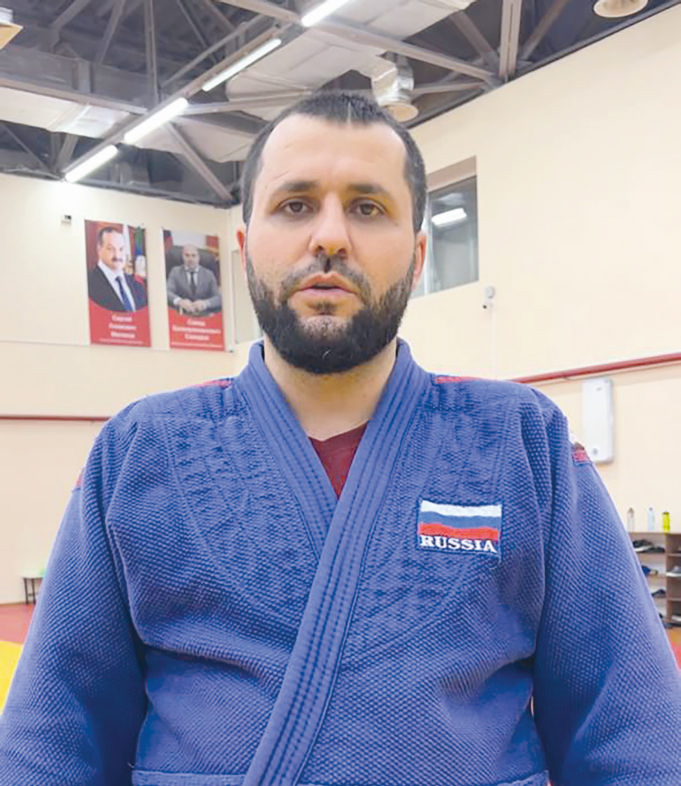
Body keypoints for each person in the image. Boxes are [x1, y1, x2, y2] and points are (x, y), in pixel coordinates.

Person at [1, 92, 679, 786]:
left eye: (367, 207)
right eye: (295, 205)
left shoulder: (522, 443)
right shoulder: (140, 450)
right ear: (245, 248)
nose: (329, 237)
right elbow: (51, 739)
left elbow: (633, 733)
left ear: (417, 256)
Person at [87, 226, 147, 312]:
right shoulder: (88, 283)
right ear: (99, 249)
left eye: (121, 249)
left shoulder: (136, 285)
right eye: (111, 249)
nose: (117, 255)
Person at [166, 243, 222, 315]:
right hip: (182, 314)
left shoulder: (208, 274)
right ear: (182, 257)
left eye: (193, 256)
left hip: (203, 314)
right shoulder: (175, 272)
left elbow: (218, 298)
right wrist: (179, 301)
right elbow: (167, 292)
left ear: (198, 257)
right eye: (187, 255)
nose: (190, 259)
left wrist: (205, 303)